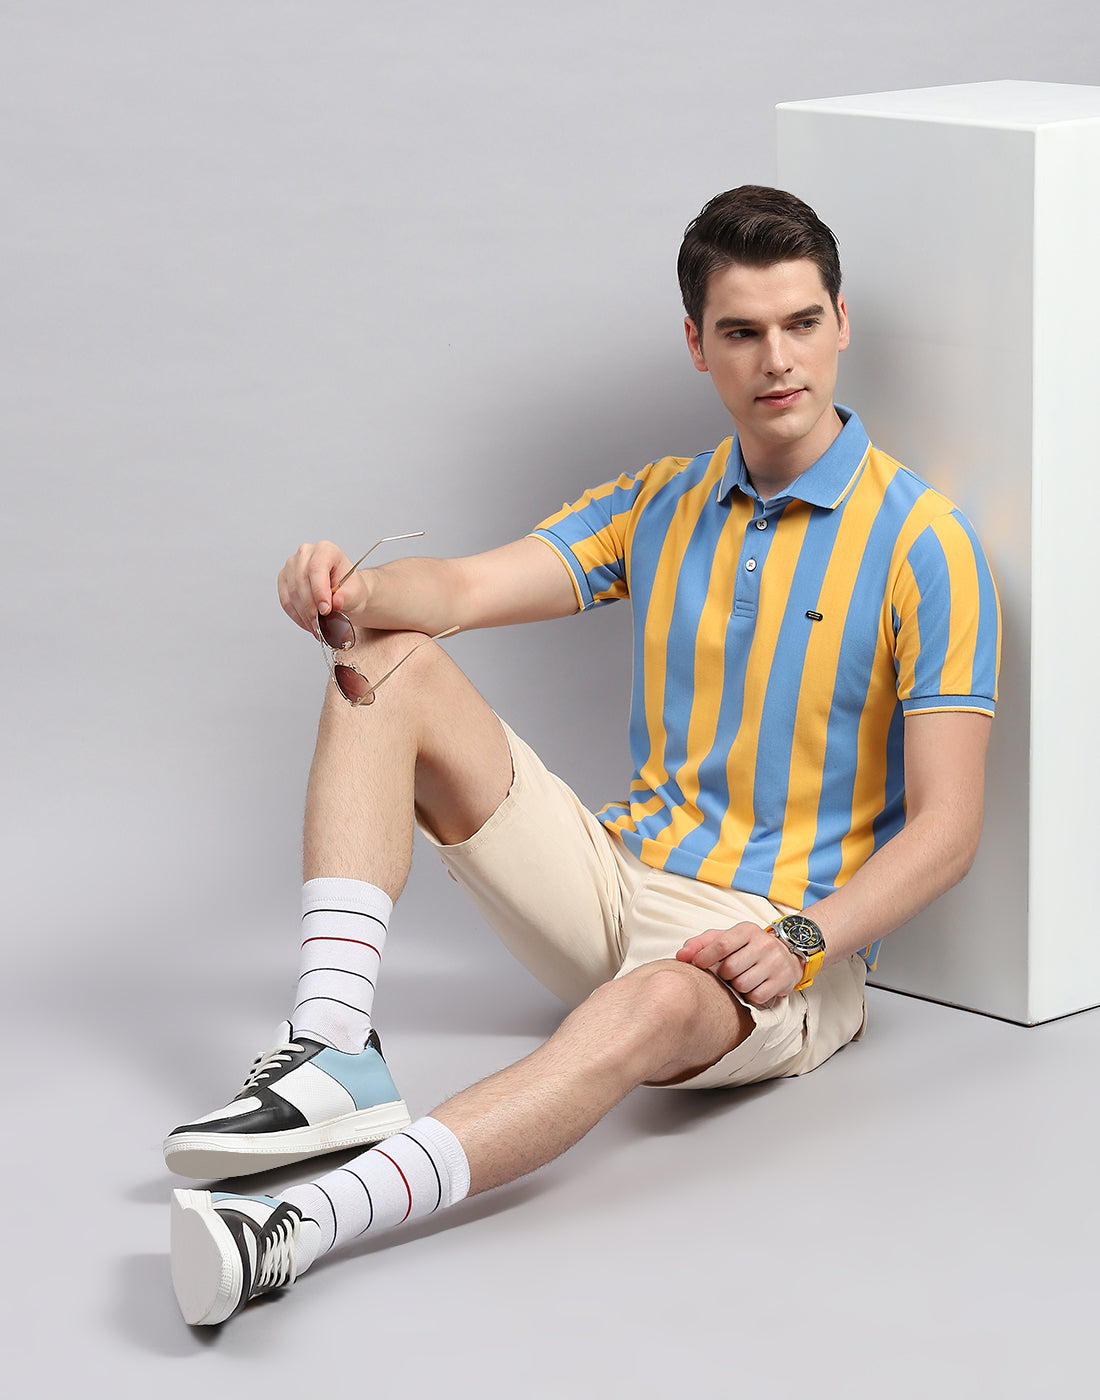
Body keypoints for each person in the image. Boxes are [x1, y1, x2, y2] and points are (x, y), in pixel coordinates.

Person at [165, 186, 1000, 1326]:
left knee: (636, 1011)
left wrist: (805, 941)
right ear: (696, 342)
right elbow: (456, 590)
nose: (777, 360)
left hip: (770, 940)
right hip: (612, 879)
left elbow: (948, 829)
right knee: (384, 654)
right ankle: (328, 1048)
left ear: (840, 322)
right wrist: (350, 587)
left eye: (801, 323)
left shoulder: (924, 545)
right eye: (742, 331)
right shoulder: (661, 502)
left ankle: (294, 1227)